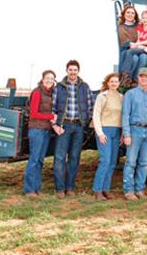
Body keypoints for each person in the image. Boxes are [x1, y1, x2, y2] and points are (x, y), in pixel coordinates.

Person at [51, 60, 93, 199]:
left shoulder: (84, 87)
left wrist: (85, 122)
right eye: (70, 70)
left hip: (78, 126)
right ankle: (60, 189)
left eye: (75, 70)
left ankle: (70, 187)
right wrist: (55, 125)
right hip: (64, 126)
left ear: (78, 71)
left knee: (75, 157)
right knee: (60, 157)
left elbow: (89, 106)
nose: (73, 72)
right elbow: (53, 108)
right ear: (67, 71)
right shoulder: (59, 88)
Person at [121, 67, 147, 200]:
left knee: (144, 162)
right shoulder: (130, 94)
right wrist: (127, 134)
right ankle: (128, 190)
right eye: (141, 76)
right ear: (138, 78)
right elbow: (125, 115)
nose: (144, 78)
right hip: (135, 130)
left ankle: (139, 189)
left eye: (146, 76)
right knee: (131, 162)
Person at [23, 70, 57, 196]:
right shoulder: (37, 92)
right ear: (42, 79)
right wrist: (51, 116)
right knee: (34, 159)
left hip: (46, 130)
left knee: (40, 160)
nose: (49, 80)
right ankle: (29, 189)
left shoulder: (51, 93)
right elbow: (34, 113)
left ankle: (37, 188)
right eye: (47, 78)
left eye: (52, 79)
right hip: (36, 130)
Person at [92, 73, 123, 201]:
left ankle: (106, 189)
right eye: (112, 81)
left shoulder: (121, 97)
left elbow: (122, 116)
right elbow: (96, 115)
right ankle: (97, 190)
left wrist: (122, 133)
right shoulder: (102, 96)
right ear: (108, 83)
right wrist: (100, 133)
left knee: (112, 162)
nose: (114, 83)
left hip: (116, 130)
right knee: (104, 161)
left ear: (119, 84)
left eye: (116, 81)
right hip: (105, 130)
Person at [117, 5, 147, 87]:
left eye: (132, 13)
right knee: (135, 58)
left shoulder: (138, 26)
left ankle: (135, 80)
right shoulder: (121, 27)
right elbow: (125, 43)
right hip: (128, 50)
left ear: (135, 15)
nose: (130, 14)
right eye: (128, 12)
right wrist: (136, 45)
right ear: (124, 14)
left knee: (144, 57)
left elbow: (145, 34)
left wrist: (139, 45)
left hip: (139, 48)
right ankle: (127, 78)